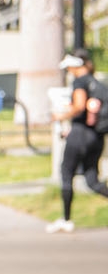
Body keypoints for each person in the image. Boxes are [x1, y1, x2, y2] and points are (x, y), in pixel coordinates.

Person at [46, 47, 108, 233]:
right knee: (92, 181)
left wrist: (61, 115)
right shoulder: (99, 84)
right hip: (96, 137)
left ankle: (66, 219)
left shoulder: (80, 82)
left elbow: (80, 106)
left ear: (75, 65)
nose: (68, 71)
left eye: (69, 67)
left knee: (66, 172)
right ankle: (66, 219)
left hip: (80, 135)